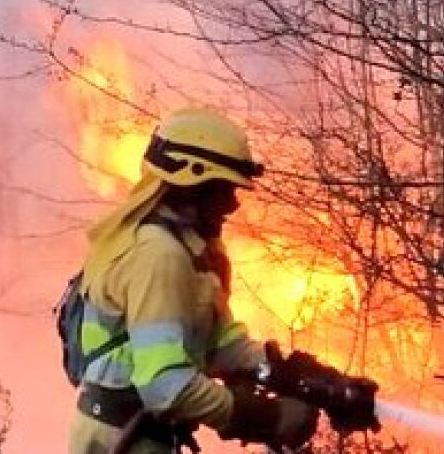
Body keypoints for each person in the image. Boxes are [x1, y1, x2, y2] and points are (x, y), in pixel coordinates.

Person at [69, 108, 321, 453]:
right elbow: (165, 386)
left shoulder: (194, 251)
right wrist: (264, 416)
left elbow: (218, 344)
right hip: (122, 441)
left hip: (143, 436)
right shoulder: (160, 256)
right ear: (191, 187)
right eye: (224, 191)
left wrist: (292, 373)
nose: (232, 205)